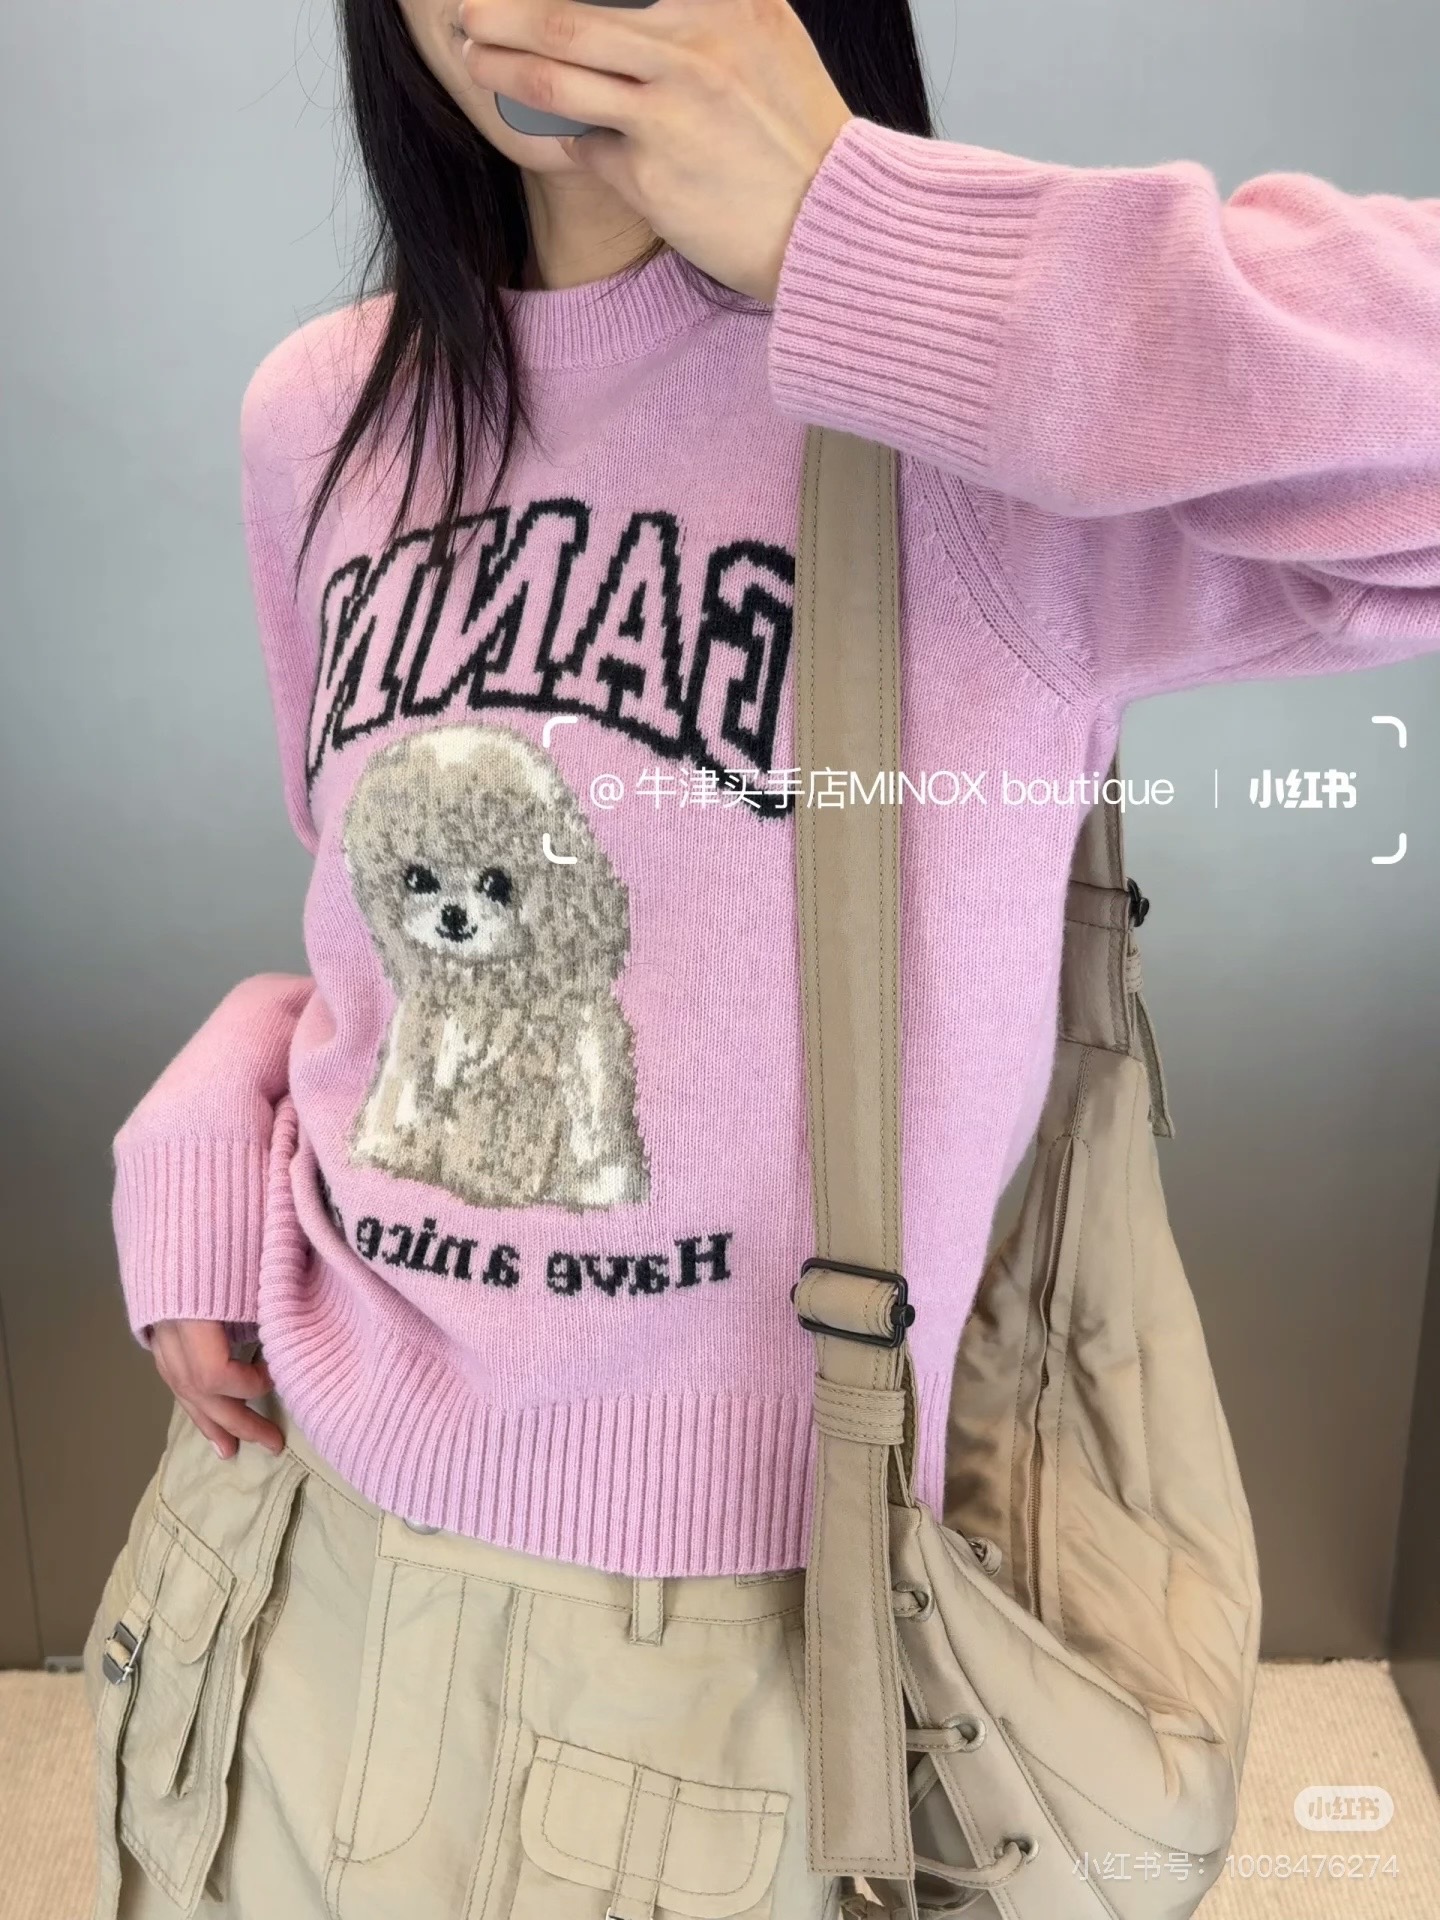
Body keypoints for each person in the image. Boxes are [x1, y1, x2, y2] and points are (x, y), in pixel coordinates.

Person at [82, 3, 1440, 1916]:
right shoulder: (326, 411)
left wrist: (861, 238)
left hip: (741, 1637)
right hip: (280, 1532)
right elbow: (383, 918)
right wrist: (218, 1101)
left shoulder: (960, 405)